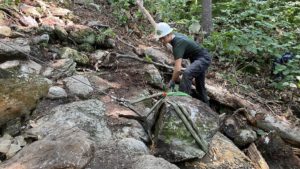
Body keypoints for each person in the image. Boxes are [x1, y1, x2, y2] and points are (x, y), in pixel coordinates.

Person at [155, 22, 211, 104]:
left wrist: (172, 81)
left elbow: (178, 69)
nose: (161, 41)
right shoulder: (175, 37)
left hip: (203, 58)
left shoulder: (178, 43)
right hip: (198, 58)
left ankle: (182, 102)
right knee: (200, 87)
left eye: (163, 38)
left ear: (169, 34)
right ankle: (207, 108)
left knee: (187, 73)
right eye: (160, 39)